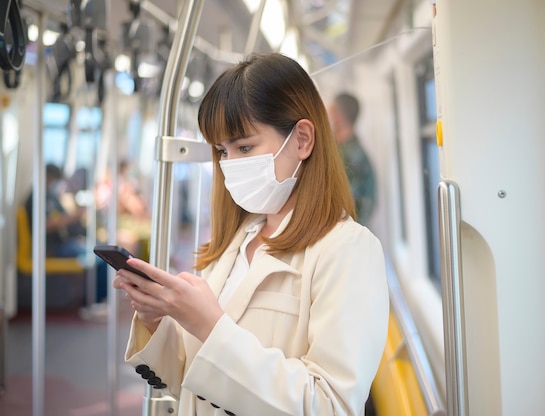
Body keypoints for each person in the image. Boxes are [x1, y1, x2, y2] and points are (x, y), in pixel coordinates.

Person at [113, 52, 389, 416]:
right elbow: (195, 379)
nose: (230, 166)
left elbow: (331, 405)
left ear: (302, 139)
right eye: (222, 152)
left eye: (245, 147)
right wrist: (156, 318)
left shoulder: (348, 250)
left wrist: (211, 326)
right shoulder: (237, 239)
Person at [25, 163, 108, 304]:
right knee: (101, 257)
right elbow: (44, 225)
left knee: (102, 250)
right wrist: (72, 217)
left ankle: (97, 299)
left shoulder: (51, 197)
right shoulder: (35, 199)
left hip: (65, 242)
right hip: (52, 248)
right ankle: (96, 301)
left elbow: (64, 219)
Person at [327, 92, 377, 227]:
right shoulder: (340, 149)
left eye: (330, 113)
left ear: (339, 118)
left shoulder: (352, 157)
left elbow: (345, 204)